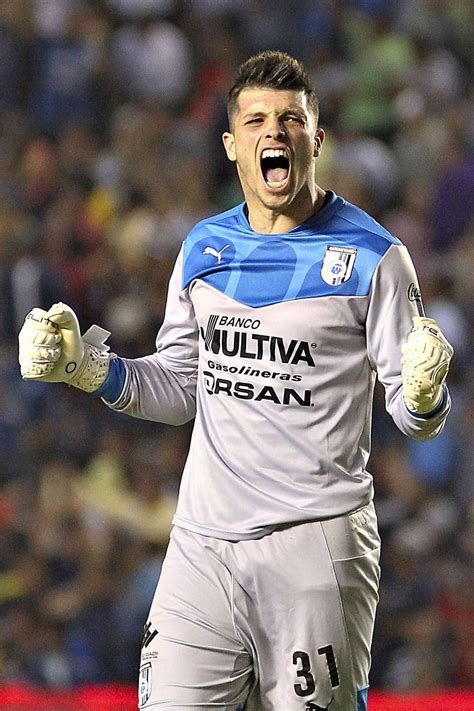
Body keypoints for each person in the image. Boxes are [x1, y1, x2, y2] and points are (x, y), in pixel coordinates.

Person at [18, 51, 454, 711]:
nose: (273, 132)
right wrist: (84, 365)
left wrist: (425, 396)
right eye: (255, 120)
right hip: (203, 543)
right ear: (232, 144)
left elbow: (410, 411)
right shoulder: (202, 248)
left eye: (290, 120)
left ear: (317, 138)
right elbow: (178, 386)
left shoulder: (376, 258)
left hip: (316, 547)